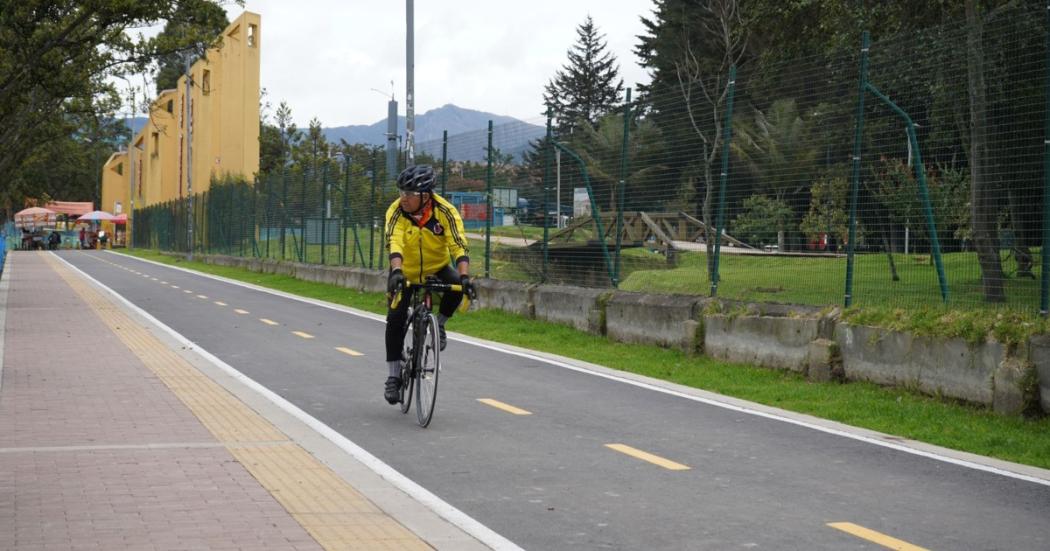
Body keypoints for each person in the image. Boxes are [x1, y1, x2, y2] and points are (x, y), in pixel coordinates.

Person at [382, 164, 477, 404]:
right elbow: (395, 241)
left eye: (410, 194)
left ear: (425, 196)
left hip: (437, 267)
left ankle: (441, 324)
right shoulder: (396, 211)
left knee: (456, 286)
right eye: (401, 192)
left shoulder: (445, 211)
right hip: (406, 272)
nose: (403, 198)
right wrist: (396, 271)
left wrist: (465, 277)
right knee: (394, 319)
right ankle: (393, 377)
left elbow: (459, 244)